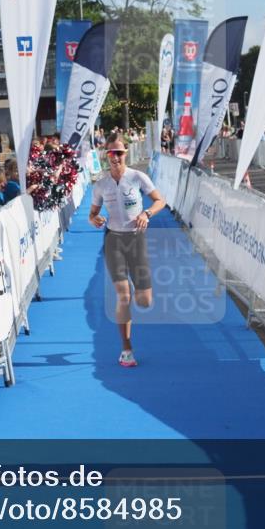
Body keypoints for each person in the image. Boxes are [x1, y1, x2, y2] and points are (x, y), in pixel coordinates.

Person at [88, 136, 166, 368]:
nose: (116, 157)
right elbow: (92, 215)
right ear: (106, 155)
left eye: (119, 153)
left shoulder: (137, 177)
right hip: (114, 241)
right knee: (123, 296)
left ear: (126, 154)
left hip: (136, 241)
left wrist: (147, 214)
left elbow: (160, 201)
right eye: (111, 153)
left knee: (144, 301)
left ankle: (136, 288)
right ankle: (126, 349)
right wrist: (95, 219)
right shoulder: (100, 185)